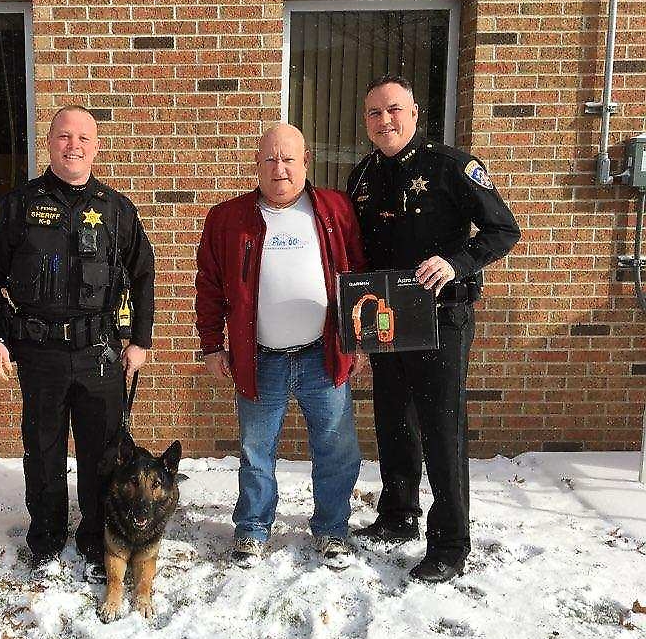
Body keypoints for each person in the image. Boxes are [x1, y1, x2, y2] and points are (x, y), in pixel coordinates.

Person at [347, 74, 521, 583]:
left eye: (394, 109)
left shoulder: (452, 167)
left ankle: (449, 542)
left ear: (416, 112)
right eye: (375, 113)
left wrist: (457, 261)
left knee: (441, 428)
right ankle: (399, 514)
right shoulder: (363, 176)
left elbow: (503, 229)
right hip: (386, 320)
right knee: (392, 420)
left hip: (443, 318)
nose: (385, 121)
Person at [0, 105, 155, 581]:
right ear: (49, 142)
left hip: (100, 353)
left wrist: (141, 341)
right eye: (64, 137)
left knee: (103, 455)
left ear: (96, 146)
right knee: (44, 449)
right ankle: (48, 538)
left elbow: (143, 273)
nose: (73, 146)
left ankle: (97, 537)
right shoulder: (18, 206)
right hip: (40, 353)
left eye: (83, 138)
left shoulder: (117, 209)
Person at [195, 123, 366, 569]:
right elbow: (210, 286)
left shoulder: (334, 209)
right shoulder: (227, 218)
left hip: (323, 353)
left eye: (288, 158)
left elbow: (358, 277)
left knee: (335, 448)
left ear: (306, 161)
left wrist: (360, 341)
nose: (280, 168)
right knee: (256, 452)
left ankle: (332, 530)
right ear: (256, 165)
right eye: (270, 159)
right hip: (259, 358)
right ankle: (252, 529)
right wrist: (212, 344)